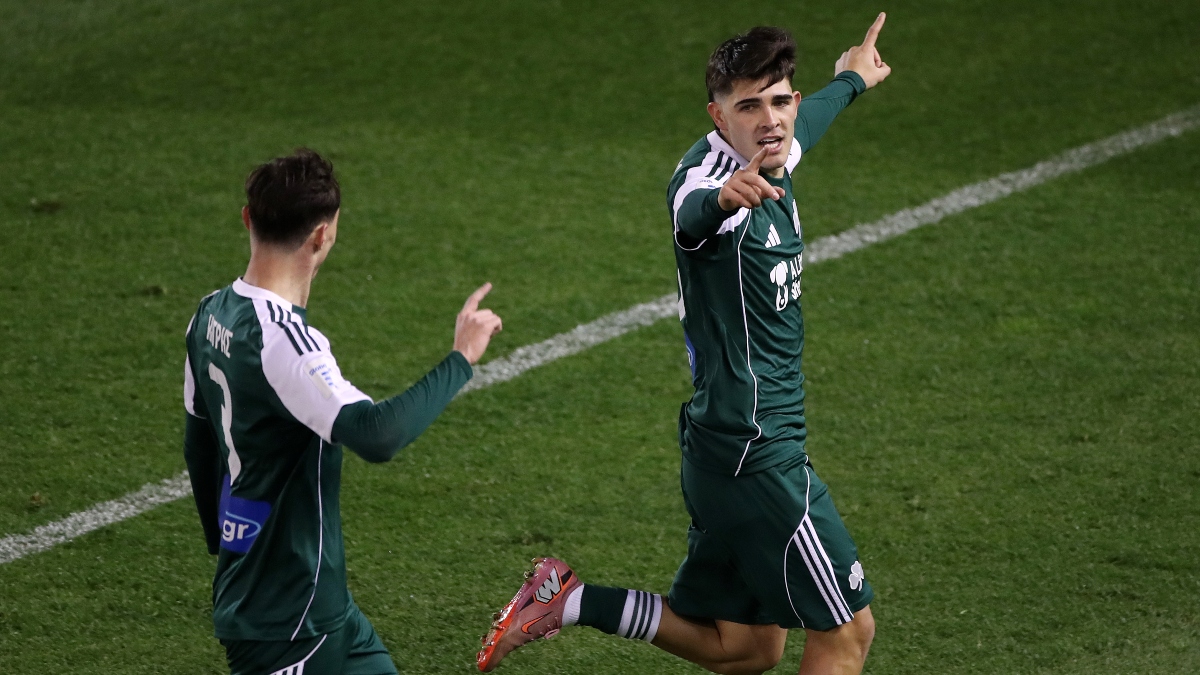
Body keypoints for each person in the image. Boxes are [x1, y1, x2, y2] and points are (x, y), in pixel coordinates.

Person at [478, 15, 891, 675]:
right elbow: (692, 216)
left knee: (746, 649)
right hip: (758, 453)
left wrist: (851, 80)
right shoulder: (707, 181)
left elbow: (805, 124)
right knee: (847, 633)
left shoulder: (776, 145)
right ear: (718, 116)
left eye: (778, 101)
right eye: (748, 107)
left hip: (718, 448)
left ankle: (570, 599)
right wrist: (723, 200)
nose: (770, 121)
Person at [183, 148, 502, 675]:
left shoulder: (209, 313)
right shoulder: (285, 343)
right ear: (321, 235)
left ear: (247, 219)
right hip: (289, 622)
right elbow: (377, 434)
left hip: (316, 607)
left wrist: (225, 541)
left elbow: (198, 444)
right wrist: (461, 357)